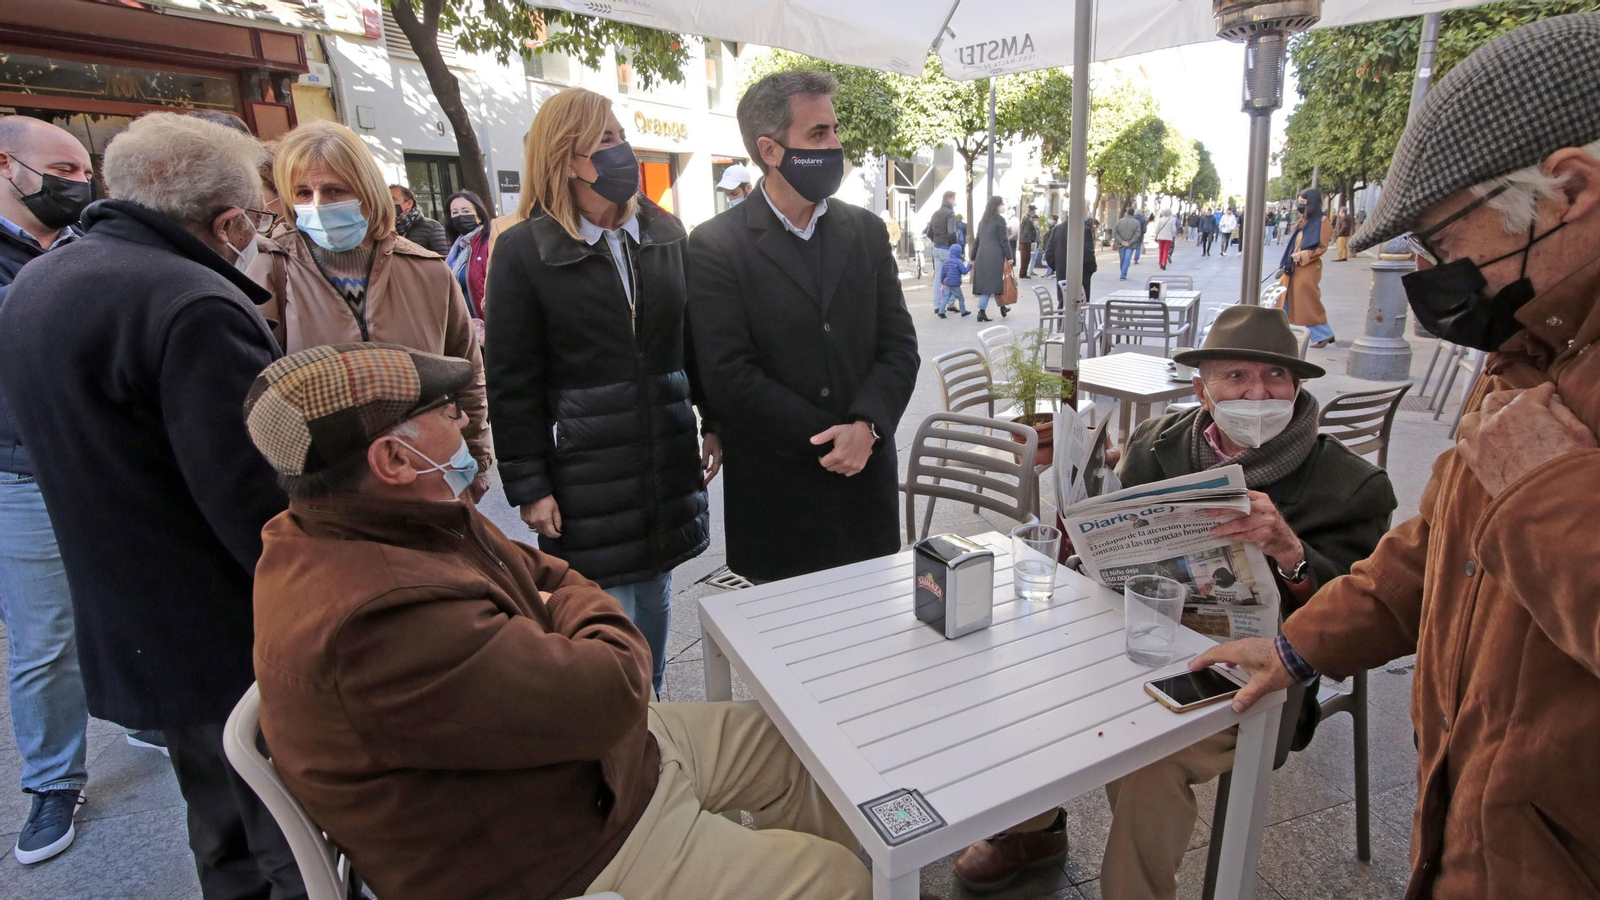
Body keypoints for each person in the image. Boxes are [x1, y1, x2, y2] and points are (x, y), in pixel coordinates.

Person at [244, 343, 884, 900]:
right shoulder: (379, 616)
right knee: (837, 879)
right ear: (392, 459)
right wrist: (565, 614)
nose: (464, 418)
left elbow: (553, 576)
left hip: (581, 770)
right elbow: (615, 685)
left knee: (792, 746)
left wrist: (557, 612)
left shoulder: (368, 522)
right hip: (555, 853)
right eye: (442, 411)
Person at [1198, 15, 1600, 898]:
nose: (1430, 276)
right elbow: (1437, 547)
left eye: (1445, 244)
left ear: (1570, 190)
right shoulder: (1536, 350)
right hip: (1486, 829)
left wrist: (1533, 476)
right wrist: (1297, 649)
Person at [953, 305, 1395, 898]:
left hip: (1257, 669)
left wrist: (1288, 549)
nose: (1257, 392)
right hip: (1138, 635)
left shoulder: (1350, 485)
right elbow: (1109, 550)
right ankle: (1032, 829)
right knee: (1027, 672)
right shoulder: (1158, 444)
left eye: (1275, 377)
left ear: (1297, 386)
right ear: (1202, 390)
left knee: (1147, 758)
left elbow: (1361, 617)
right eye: (1235, 376)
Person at [0, 112, 304, 898]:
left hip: (134, 619)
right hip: (223, 624)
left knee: (220, 824)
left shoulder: (42, 280)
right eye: (259, 221)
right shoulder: (191, 301)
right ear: (228, 220)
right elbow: (251, 494)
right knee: (285, 834)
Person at [483, 87, 716, 695]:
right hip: (585, 468)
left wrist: (713, 418)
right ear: (567, 159)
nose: (624, 151)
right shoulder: (523, 251)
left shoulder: (665, 231)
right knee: (605, 615)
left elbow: (695, 339)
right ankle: (621, 735)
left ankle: (655, 720)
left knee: (655, 594)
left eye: (621, 135)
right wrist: (529, 485)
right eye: (606, 141)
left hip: (663, 457)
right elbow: (510, 379)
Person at [686, 69, 919, 583]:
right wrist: (831, 440)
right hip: (778, 502)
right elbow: (728, 374)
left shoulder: (865, 230)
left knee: (875, 650)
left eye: (834, 131)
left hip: (865, 493)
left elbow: (900, 347)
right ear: (770, 151)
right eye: (818, 134)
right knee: (786, 659)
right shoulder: (715, 245)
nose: (835, 144)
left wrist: (867, 428)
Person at [250, 121, 492, 501]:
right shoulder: (272, 271)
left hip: (430, 476)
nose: (318, 204)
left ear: (366, 190)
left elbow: (467, 370)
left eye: (334, 190)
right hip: (333, 492)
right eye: (302, 192)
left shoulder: (427, 270)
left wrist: (477, 455)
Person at [0, 116, 94, 865]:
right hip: (23, 471)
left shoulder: (89, 243)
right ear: (10, 167)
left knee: (135, 595)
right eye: (62, 167)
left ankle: (145, 714)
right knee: (43, 636)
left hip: (106, 464)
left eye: (85, 170)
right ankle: (53, 781)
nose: (78, 183)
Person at [1276, 188, 1334, 347]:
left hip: (1306, 269)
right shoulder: (1305, 220)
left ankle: (1324, 333)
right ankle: (1283, 334)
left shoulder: (1322, 222)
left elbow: (1321, 247)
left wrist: (1302, 255)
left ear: (1311, 203)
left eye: (1303, 202)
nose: (1299, 205)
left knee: (1306, 304)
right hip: (1293, 268)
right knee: (1285, 300)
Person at [443, 189, 491, 332]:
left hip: (486, 326)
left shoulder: (489, 243)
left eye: (465, 211)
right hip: (463, 325)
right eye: (455, 213)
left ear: (479, 216)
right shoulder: (456, 248)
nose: (460, 217)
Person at [972, 195, 1010, 322]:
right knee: (990, 285)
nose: (1002, 206)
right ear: (997, 206)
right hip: (994, 256)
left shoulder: (983, 221)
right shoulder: (1000, 220)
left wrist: (973, 257)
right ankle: (981, 311)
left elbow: (977, 240)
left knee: (993, 283)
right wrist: (1009, 256)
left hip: (982, 255)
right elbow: (1004, 240)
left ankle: (1002, 307)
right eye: (1002, 204)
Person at [388, 183, 449, 254]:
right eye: (387, 200)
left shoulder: (432, 227)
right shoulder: (385, 231)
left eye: (393, 199)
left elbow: (445, 260)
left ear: (409, 204)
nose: (389, 203)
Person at [925, 190, 957, 309]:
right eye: (954, 198)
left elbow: (929, 231)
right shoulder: (950, 213)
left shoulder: (935, 213)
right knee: (952, 276)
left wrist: (935, 240)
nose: (955, 201)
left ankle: (937, 305)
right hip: (947, 248)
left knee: (938, 277)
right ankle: (951, 304)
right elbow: (952, 232)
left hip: (937, 248)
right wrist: (955, 246)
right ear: (949, 199)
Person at [937, 240, 973, 318]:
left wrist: (942, 282)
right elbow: (964, 272)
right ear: (959, 252)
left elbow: (942, 273)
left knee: (945, 298)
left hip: (948, 283)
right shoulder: (959, 262)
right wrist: (970, 265)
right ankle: (963, 311)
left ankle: (941, 311)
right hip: (955, 284)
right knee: (961, 298)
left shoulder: (946, 262)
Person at [1113, 207, 1141, 280]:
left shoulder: (1119, 221)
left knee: (1122, 259)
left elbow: (1115, 232)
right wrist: (1130, 242)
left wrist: (1121, 241)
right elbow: (1137, 234)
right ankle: (1123, 275)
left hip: (1121, 244)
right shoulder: (1136, 223)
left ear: (1127, 213)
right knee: (1127, 260)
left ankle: (1123, 273)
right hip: (1130, 245)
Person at [1018, 203, 1039, 278]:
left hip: (1025, 241)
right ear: (1031, 211)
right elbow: (1027, 231)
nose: (1034, 212)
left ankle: (1023, 273)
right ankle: (1023, 274)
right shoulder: (1028, 219)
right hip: (1026, 242)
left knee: (1026, 258)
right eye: (1034, 210)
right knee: (1025, 258)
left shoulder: (1027, 218)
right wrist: (1030, 240)